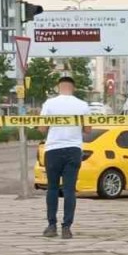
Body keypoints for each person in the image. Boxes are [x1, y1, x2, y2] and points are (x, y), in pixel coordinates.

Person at [39, 76, 91, 239]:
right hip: (74, 149)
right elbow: (88, 129)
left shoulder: (49, 104)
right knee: (69, 189)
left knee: (52, 188)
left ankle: (51, 226)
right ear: (73, 88)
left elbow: (42, 128)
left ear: (58, 87)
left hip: (53, 148)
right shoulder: (82, 105)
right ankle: (67, 228)